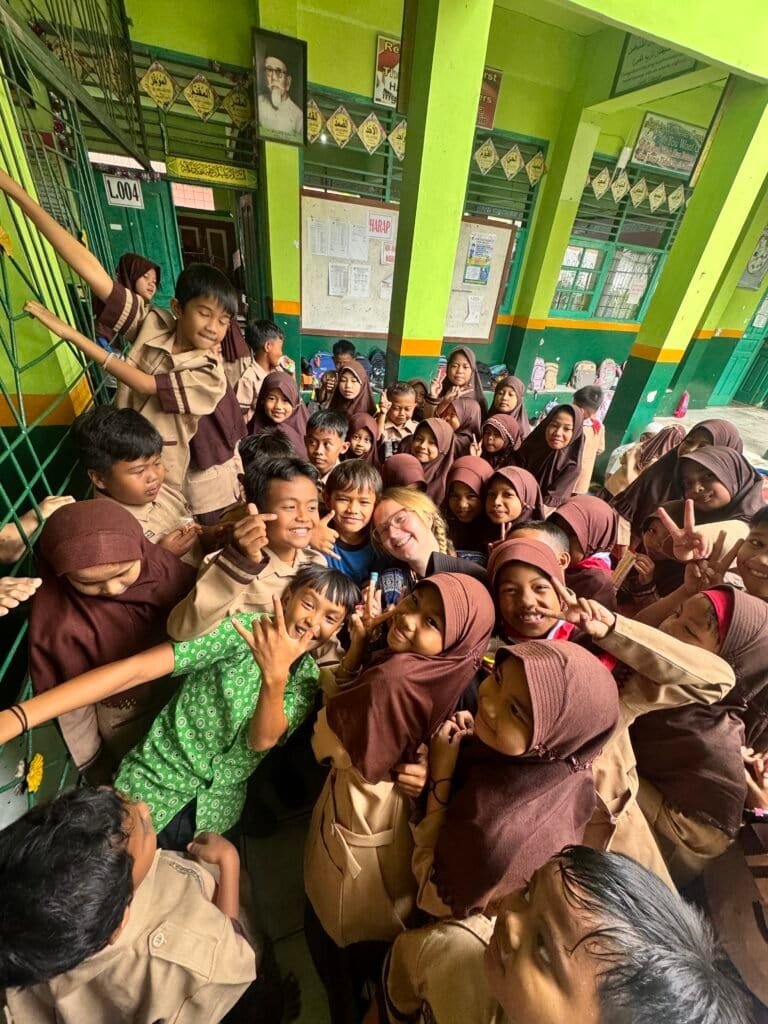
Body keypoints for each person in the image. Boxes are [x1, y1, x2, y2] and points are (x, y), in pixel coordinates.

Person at [304, 575, 495, 1021]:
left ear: (458, 639)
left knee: (345, 927)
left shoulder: (391, 679)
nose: (407, 618)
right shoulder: (461, 673)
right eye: (412, 601)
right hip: (401, 829)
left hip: (366, 823)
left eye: (431, 621)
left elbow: (323, 743)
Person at [382, 845, 753, 1024]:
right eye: (529, 891)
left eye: (544, 950)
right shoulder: (458, 954)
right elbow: (400, 980)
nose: (509, 920)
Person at [0, 788, 257, 1024]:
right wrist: (229, 862)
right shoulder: (184, 959)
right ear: (120, 921)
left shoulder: (37, 936)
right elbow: (233, 953)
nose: (144, 807)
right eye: (143, 828)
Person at [411, 642, 619, 923]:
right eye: (497, 679)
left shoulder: (495, 839)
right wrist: (478, 734)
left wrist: (441, 776)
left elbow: (430, 895)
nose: (488, 703)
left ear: (550, 741)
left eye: (516, 712)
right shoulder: (566, 765)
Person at [27, 500, 196, 777]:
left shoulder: (161, 568)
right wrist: (93, 763)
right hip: (122, 719)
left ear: (141, 548)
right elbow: (71, 708)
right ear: (60, 576)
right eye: (89, 583)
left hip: (184, 696)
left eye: (122, 573)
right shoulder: (61, 625)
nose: (112, 589)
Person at [631, 585, 768, 883]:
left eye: (689, 631)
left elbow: (708, 838)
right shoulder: (653, 678)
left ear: (732, 664)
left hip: (649, 859)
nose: (668, 628)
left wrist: (622, 774)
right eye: (676, 613)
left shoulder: (712, 740)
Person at [166, 457, 326, 642]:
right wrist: (241, 560)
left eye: (312, 507)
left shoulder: (316, 563)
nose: (304, 517)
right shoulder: (229, 565)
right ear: (255, 510)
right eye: (290, 507)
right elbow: (181, 630)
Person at [72, 405, 205, 563]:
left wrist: (209, 534)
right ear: (100, 479)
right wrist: (161, 555)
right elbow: (123, 583)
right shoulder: (110, 532)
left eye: (157, 463)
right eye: (138, 471)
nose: (154, 476)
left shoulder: (160, 492)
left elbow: (192, 527)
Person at [610, 418, 743, 542]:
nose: (690, 450)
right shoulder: (660, 471)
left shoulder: (727, 501)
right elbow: (623, 509)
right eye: (688, 442)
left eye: (703, 446)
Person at [372, 488, 487, 610]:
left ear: (427, 518)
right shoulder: (389, 583)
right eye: (383, 529)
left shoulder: (476, 566)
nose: (393, 534)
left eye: (400, 519)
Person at [549, 494, 619, 609]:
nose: (560, 539)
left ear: (595, 539)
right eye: (556, 529)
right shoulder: (546, 558)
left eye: (572, 534)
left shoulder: (599, 583)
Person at [515, 403, 585, 512]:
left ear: (575, 433)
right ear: (546, 425)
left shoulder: (571, 466)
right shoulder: (529, 447)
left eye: (566, 429)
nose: (558, 433)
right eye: (554, 425)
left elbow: (548, 506)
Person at [324, 460, 381, 585]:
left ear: (375, 505)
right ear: (328, 500)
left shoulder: (380, 544)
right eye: (343, 499)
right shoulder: (318, 540)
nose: (352, 510)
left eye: (364, 502)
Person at [92, 252, 160, 345]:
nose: (152, 284)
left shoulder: (143, 310)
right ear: (131, 274)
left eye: (155, 282)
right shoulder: (116, 299)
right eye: (146, 277)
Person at [248, 369, 309, 457]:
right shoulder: (249, 432)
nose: (278, 406)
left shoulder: (308, 433)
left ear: (295, 402)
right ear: (262, 399)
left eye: (286, 400)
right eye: (271, 398)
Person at [443, 456, 494, 563]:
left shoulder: (498, 533)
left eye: (471, 496)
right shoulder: (441, 527)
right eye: (454, 496)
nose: (462, 505)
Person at [236, 319, 285, 420]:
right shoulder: (248, 379)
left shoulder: (279, 371)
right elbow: (239, 418)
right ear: (268, 346)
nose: (281, 353)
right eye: (280, 348)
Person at [401, 418, 456, 505]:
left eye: (432, 442)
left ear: (444, 447)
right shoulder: (400, 465)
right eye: (419, 439)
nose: (422, 445)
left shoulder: (449, 479)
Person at [424, 347, 487, 417]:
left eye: (465, 367)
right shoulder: (439, 391)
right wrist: (435, 397)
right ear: (447, 368)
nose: (460, 371)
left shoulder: (477, 400)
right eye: (454, 366)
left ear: (472, 371)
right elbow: (428, 422)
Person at [485, 467, 543, 541]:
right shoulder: (481, 530)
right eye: (491, 493)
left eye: (508, 495)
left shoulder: (534, 540)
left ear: (527, 499)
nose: (496, 502)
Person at [257, 48, 303, 141]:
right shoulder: (258, 102)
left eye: (279, 72)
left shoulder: (298, 116)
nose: (273, 77)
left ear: (288, 82)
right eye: (269, 70)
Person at [571, 385, 605, 494]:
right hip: (584, 477)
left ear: (581, 410)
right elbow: (600, 449)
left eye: (573, 403)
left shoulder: (577, 427)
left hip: (569, 474)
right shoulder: (599, 425)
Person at [306, 409, 351, 488]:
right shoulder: (298, 476)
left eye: (327, 444)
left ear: (344, 447)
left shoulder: (348, 482)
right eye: (313, 442)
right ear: (305, 442)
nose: (318, 451)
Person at [376, 382, 418, 456]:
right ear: (388, 405)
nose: (402, 413)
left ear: (414, 406)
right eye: (396, 408)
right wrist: (382, 413)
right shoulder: (379, 424)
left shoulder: (417, 429)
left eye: (407, 409)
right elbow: (376, 440)